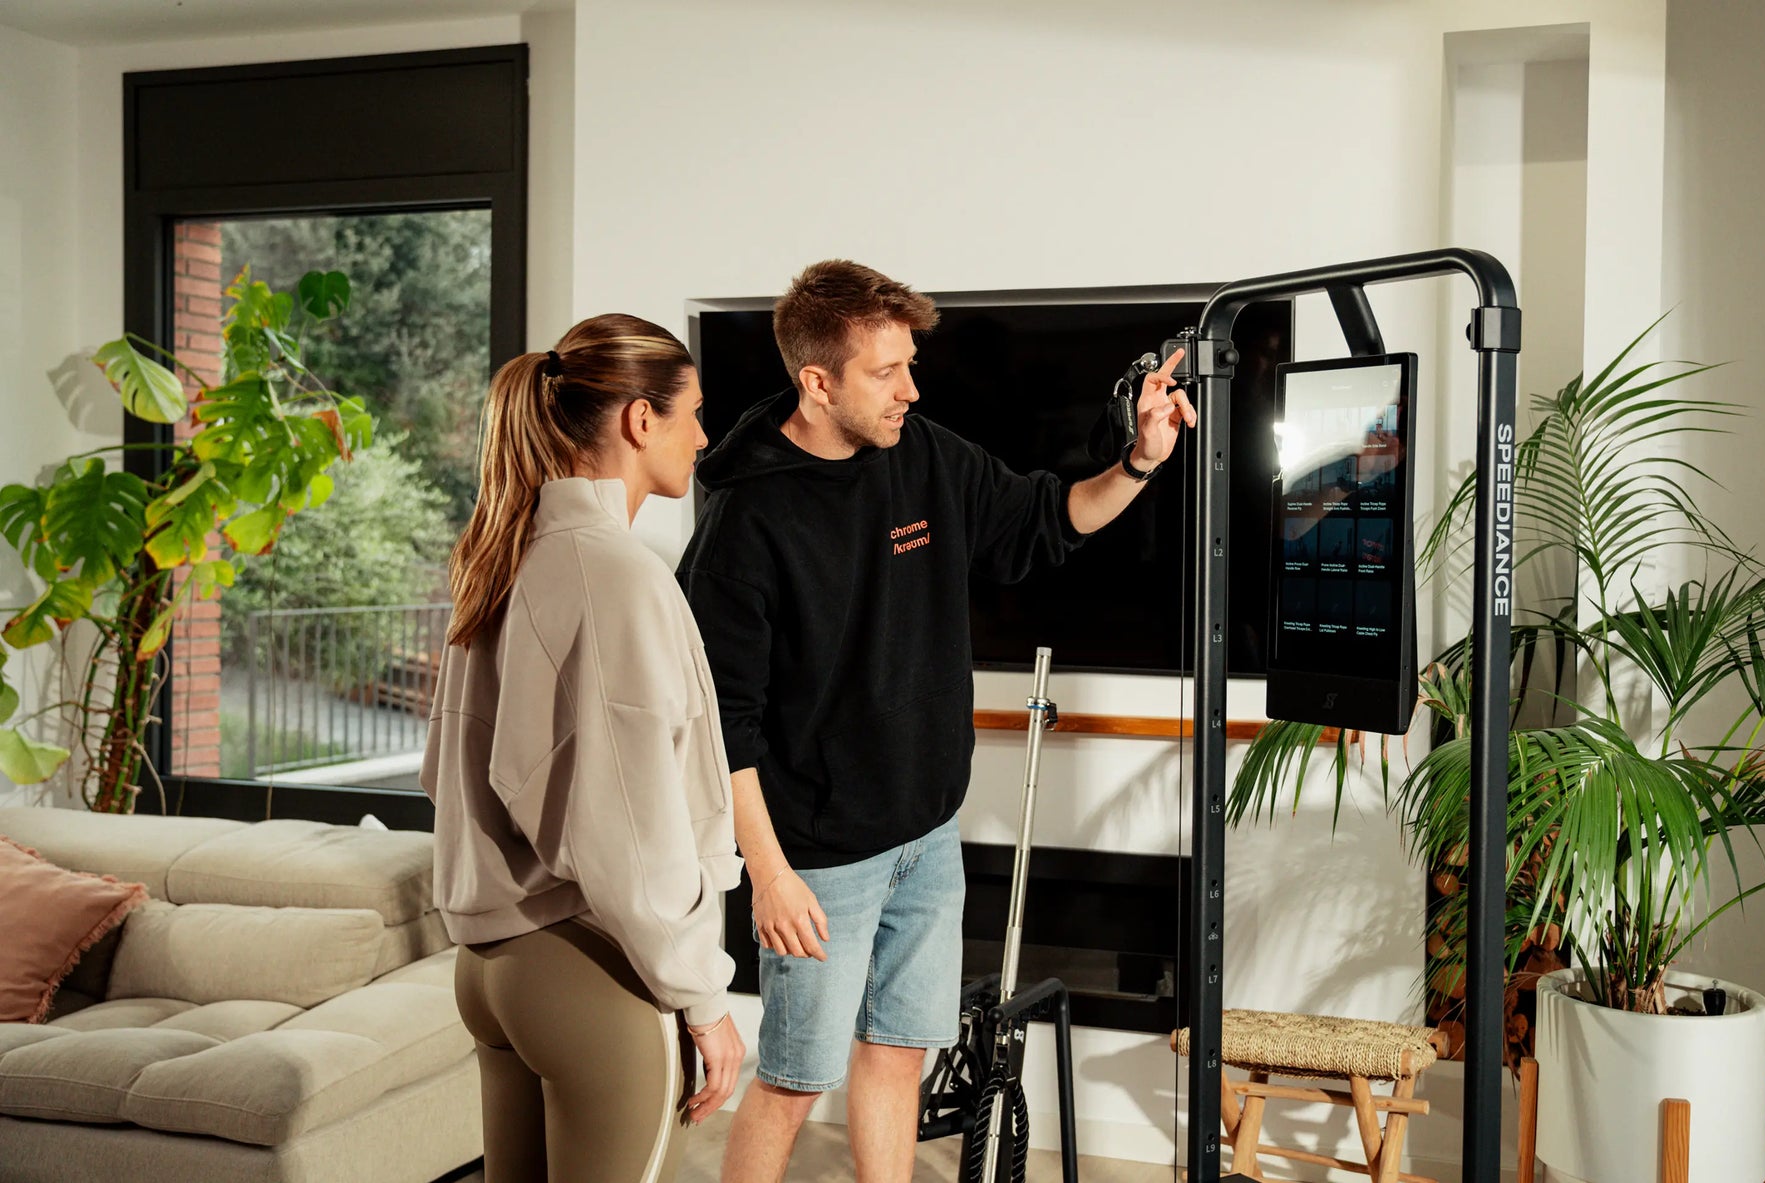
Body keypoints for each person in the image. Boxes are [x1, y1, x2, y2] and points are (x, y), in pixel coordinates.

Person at [679, 260, 1194, 1182]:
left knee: (900, 1051)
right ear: (818, 381)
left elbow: (1047, 519)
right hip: (819, 858)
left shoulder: (920, 453)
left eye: (911, 364)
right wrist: (768, 874)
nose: (911, 388)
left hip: (928, 832)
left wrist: (1139, 460)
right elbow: (723, 725)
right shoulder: (744, 523)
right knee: (796, 1079)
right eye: (887, 371)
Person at [423, 313, 746, 1183]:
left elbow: (441, 774)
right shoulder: (615, 572)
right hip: (587, 971)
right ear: (641, 421)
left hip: (491, 971)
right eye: (694, 414)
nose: (705, 436)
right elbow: (630, 828)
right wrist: (703, 997)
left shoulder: (501, 552)